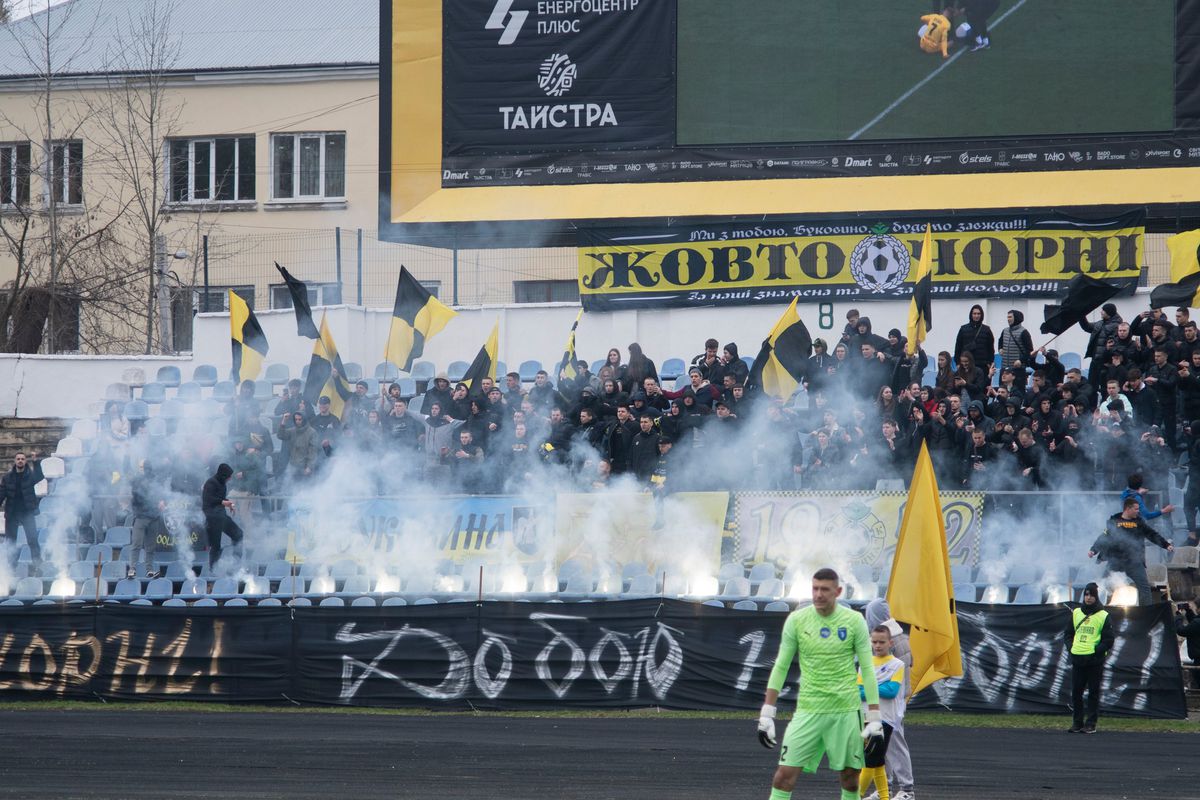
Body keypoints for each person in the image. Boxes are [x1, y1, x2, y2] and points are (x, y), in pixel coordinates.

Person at [758, 568, 882, 800]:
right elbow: (781, 666)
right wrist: (767, 712)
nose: (818, 594)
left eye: (825, 589)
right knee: (783, 776)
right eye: (815, 588)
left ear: (838, 591)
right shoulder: (796, 620)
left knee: (850, 778)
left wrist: (874, 717)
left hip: (845, 711)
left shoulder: (854, 621)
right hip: (808, 711)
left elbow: (867, 669)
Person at [864, 600, 915, 800]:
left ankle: (907, 789)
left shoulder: (896, 639)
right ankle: (884, 786)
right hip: (880, 700)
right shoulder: (887, 636)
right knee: (880, 744)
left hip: (892, 700)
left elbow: (897, 672)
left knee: (894, 743)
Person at [1089, 497, 1174, 605]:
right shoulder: (1114, 521)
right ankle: (1098, 609)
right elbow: (1104, 537)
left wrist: (1166, 545)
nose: (1138, 511)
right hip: (1116, 561)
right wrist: (1093, 550)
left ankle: (1146, 612)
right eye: (1136, 509)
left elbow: (1152, 534)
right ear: (1128, 509)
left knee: (1144, 588)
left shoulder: (1139, 522)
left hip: (1134, 561)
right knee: (1101, 585)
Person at [856, 626, 906, 800]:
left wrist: (868, 688)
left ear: (890, 643)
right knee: (877, 762)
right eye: (874, 642)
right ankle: (884, 797)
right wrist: (879, 687)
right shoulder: (865, 663)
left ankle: (855, 796)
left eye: (881, 642)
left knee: (869, 761)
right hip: (866, 716)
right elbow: (857, 691)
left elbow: (891, 691)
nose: (877, 645)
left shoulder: (897, 664)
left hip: (886, 719)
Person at [1064, 582, 1115, 734]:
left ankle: (1091, 723)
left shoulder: (1103, 615)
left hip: (1094, 661)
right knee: (1076, 692)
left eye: (1091, 595)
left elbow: (1108, 640)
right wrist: (1071, 648)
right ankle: (1077, 722)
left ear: (1096, 596)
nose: (1088, 598)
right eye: (1086, 594)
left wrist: (1095, 651)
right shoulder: (1076, 613)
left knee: (1093, 692)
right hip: (1078, 658)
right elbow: (1068, 634)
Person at [0, 450, 43, 570]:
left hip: (27, 512)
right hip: (12, 513)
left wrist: (36, 462)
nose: (20, 461)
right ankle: (11, 566)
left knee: (33, 539)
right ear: (15, 461)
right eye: (18, 459)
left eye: (22, 459)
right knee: (11, 542)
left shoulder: (30, 475)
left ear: (25, 461)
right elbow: (1, 494)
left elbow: (40, 476)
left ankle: (37, 565)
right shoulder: (7, 478)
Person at [201, 463, 243, 569]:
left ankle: (236, 562)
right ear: (223, 475)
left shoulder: (222, 484)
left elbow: (220, 499)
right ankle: (213, 570)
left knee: (238, 534)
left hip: (221, 517)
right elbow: (208, 499)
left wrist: (229, 504)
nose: (230, 478)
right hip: (211, 518)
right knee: (215, 546)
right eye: (228, 476)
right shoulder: (210, 483)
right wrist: (223, 502)